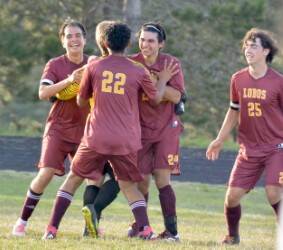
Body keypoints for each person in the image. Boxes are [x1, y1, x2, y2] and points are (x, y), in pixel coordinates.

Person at [42, 21, 178, 240]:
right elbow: (154, 100)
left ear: (104, 42)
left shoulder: (94, 66)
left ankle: (51, 230)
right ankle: (146, 229)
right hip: (126, 139)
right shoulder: (137, 69)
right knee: (128, 186)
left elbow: (80, 100)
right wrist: (162, 80)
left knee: (73, 179)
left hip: (96, 136)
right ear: (128, 44)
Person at [11, 19, 89, 237]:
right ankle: (22, 222)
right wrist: (70, 80)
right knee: (45, 174)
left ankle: (91, 226)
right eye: (69, 36)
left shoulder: (93, 62)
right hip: (59, 127)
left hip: (86, 131)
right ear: (62, 41)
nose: (74, 39)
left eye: (77, 35)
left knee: (94, 178)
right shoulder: (55, 64)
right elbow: (43, 93)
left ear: (85, 39)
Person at [206, 28, 283, 245]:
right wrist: (220, 139)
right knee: (232, 197)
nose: (248, 49)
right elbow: (233, 110)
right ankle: (232, 236)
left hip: (277, 147)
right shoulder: (238, 79)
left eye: (254, 46)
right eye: (246, 46)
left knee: (273, 192)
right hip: (248, 149)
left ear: (266, 51)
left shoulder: (278, 82)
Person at [127, 22, 186, 242]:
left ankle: (172, 232)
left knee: (162, 178)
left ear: (161, 44)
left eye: (151, 41)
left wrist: (154, 82)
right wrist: (157, 81)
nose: (146, 45)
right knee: (140, 180)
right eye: (142, 40)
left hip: (165, 130)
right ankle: (141, 226)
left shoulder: (171, 63)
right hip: (139, 130)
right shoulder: (132, 63)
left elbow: (176, 96)